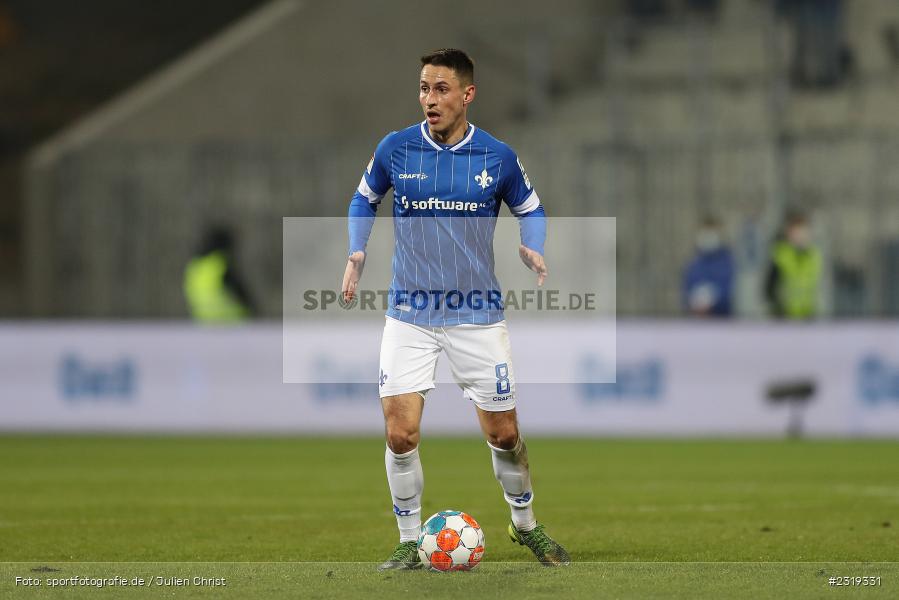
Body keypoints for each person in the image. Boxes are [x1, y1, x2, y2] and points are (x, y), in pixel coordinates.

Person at [341, 49, 570, 570]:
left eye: (441, 89)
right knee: (400, 433)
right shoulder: (396, 149)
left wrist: (532, 243)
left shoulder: (498, 157)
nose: (429, 100)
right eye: (423, 88)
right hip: (410, 313)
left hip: (477, 316)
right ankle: (408, 538)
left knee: (504, 433)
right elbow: (363, 198)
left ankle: (525, 526)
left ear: (467, 95)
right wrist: (358, 250)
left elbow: (531, 208)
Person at [183, 226, 255, 322]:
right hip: (232, 322)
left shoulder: (194, 266)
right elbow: (239, 290)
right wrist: (253, 308)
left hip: (204, 322)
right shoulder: (220, 264)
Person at [765, 212, 821, 319]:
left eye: (804, 231)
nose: (801, 235)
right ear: (789, 233)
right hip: (784, 315)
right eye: (797, 231)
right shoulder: (780, 254)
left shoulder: (814, 256)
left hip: (808, 314)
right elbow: (769, 288)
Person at [682, 217, 735, 317]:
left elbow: (729, 292)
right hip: (696, 320)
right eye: (706, 232)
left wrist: (712, 302)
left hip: (721, 320)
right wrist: (694, 303)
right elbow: (686, 291)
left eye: (711, 233)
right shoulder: (694, 264)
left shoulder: (727, 263)